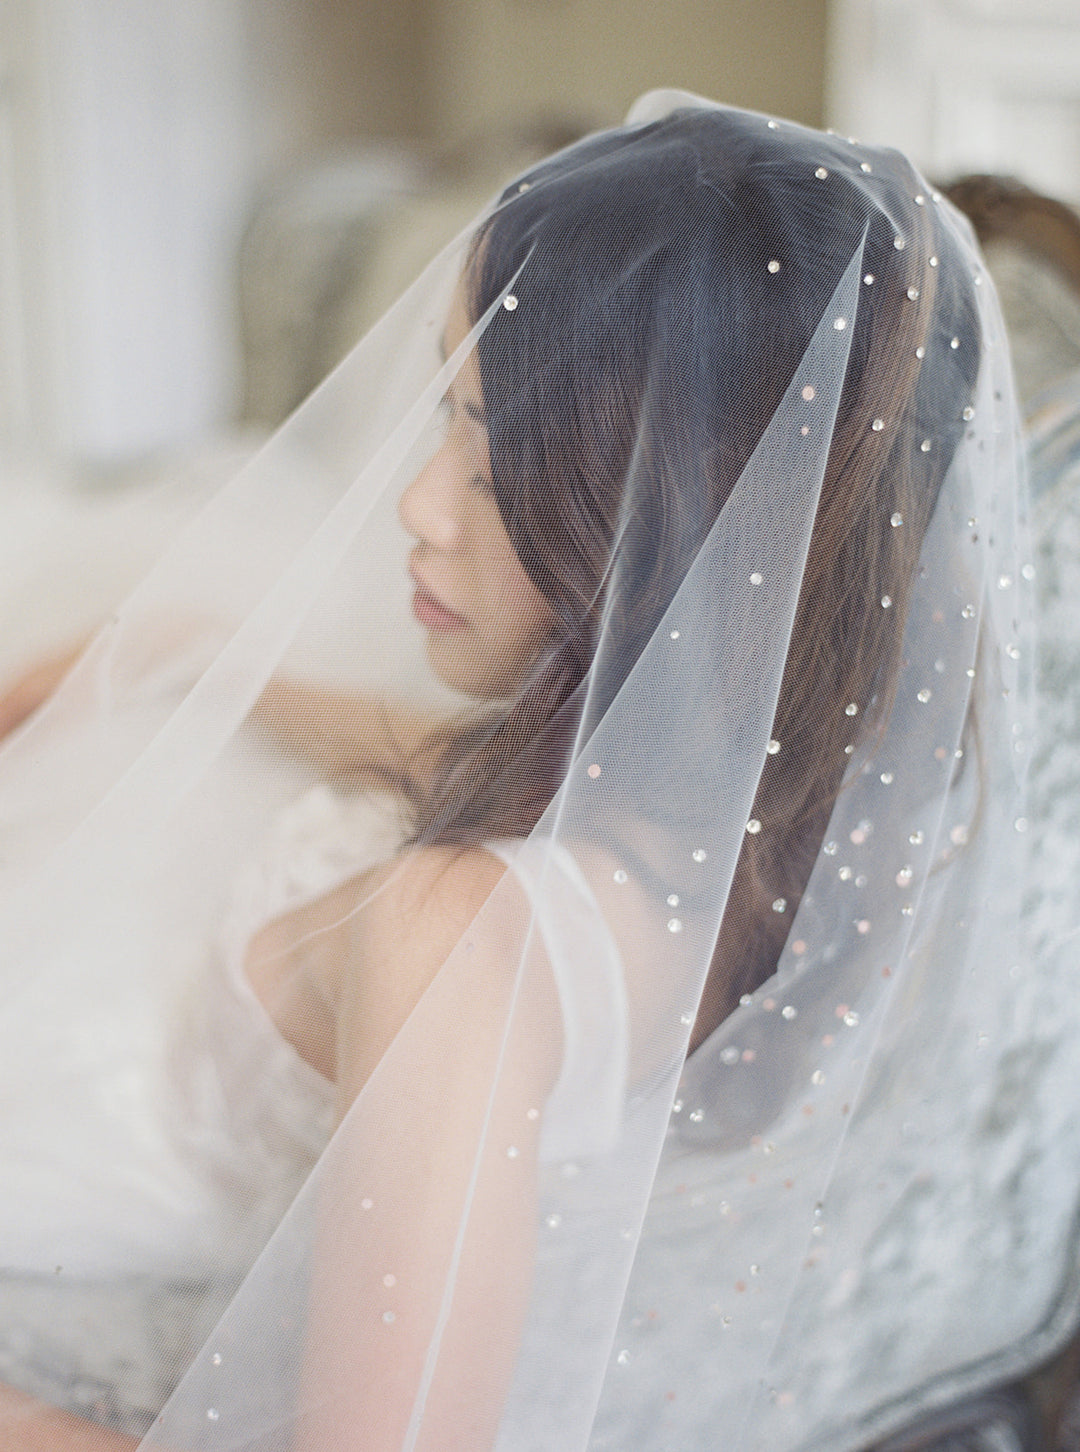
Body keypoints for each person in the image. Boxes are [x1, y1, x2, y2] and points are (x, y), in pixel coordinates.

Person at [0, 93, 1053, 1450]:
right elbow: (418, 745)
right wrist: (184, 660)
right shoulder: (710, 822)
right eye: (444, 413)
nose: (417, 504)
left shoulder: (462, 942)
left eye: (495, 465)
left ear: (665, 513)